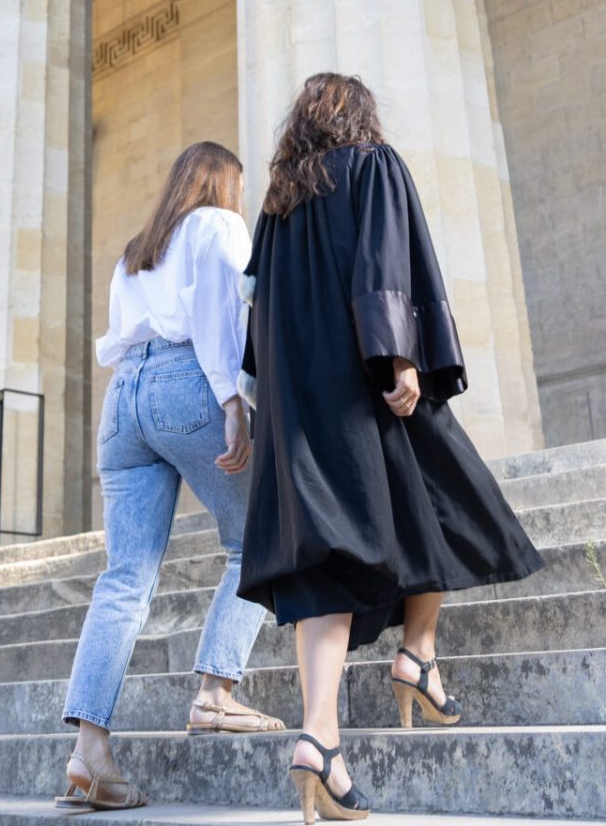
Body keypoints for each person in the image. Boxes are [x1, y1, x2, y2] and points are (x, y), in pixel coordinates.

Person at [237, 73, 544, 823]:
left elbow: (257, 309)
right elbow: (384, 265)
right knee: (451, 496)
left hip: (299, 404)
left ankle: (321, 736)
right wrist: (398, 356)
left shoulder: (279, 204)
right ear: (359, 115)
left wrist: (253, 405)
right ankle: (418, 650)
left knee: (329, 562)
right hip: (364, 385)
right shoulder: (372, 164)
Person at [58, 141, 284, 811]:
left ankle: (88, 750)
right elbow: (221, 318)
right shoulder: (217, 225)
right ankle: (216, 693)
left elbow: (124, 337)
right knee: (258, 538)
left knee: (124, 577)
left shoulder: (135, 251)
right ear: (222, 184)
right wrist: (232, 405)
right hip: (187, 384)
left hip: (123, 399)